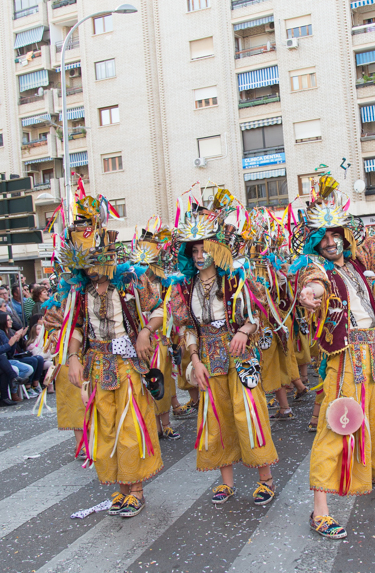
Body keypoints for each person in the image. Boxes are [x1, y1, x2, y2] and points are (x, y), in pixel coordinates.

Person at [294, 179, 375, 539]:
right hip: (346, 356)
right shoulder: (318, 269)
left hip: (374, 351)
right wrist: (310, 294)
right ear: (316, 242)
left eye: (336, 235)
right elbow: (312, 285)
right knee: (338, 425)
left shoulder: (355, 262)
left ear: (345, 237)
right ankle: (320, 509)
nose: (331, 242)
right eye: (324, 237)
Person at [49, 203, 165, 518]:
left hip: (128, 364)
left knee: (130, 425)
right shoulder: (81, 291)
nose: (92, 269)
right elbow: (76, 328)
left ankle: (136, 489)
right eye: (86, 265)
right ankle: (119, 487)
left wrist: (144, 334)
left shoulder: (130, 282)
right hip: (99, 366)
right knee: (106, 426)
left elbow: (158, 309)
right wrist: (73, 357)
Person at [168, 207, 278, 510]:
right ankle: (226, 482)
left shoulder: (237, 278)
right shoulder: (184, 287)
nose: (200, 255)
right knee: (215, 418)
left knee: (249, 413)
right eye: (195, 250)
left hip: (240, 355)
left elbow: (259, 311)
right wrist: (195, 359)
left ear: (218, 248)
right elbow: (187, 327)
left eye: (205, 248)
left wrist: (244, 331)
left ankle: (265, 479)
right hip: (207, 357)